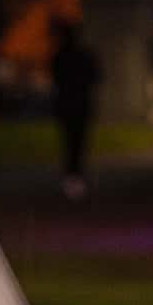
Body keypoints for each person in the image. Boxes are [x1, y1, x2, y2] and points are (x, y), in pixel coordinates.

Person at [48, 19, 100, 201]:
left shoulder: (60, 56)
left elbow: (54, 79)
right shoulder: (84, 55)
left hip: (68, 105)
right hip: (80, 105)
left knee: (70, 143)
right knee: (78, 143)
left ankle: (72, 177)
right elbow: (96, 77)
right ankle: (75, 177)